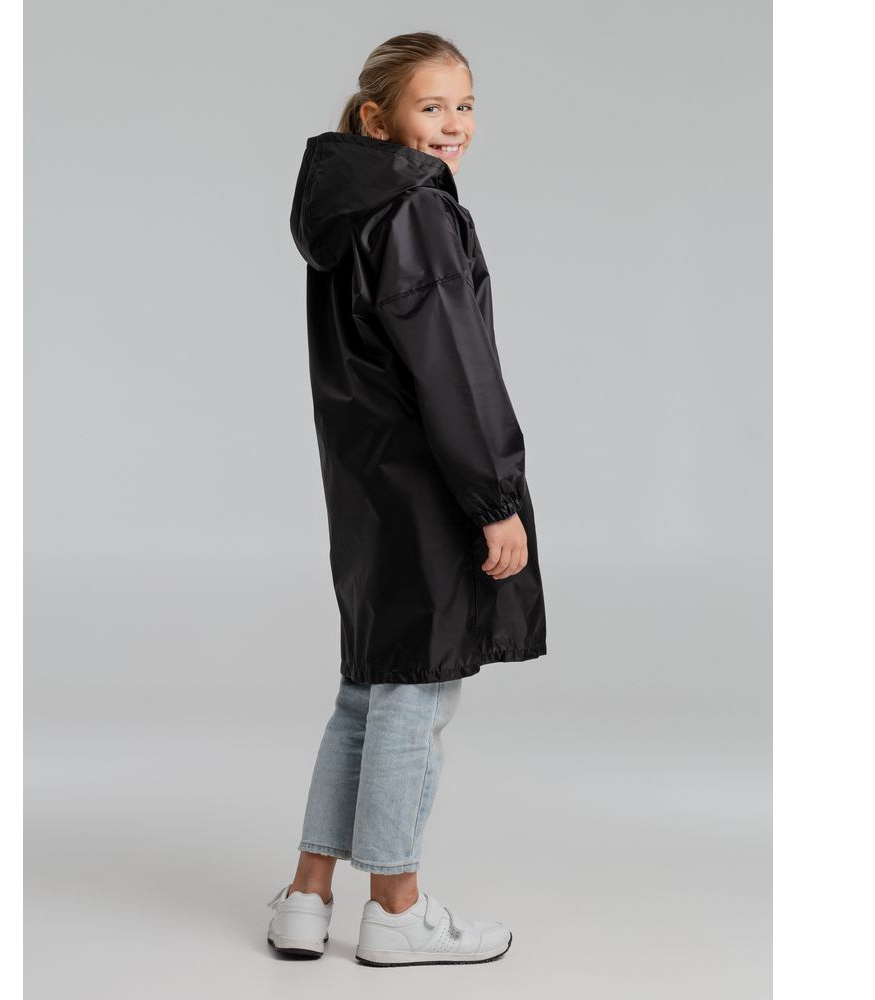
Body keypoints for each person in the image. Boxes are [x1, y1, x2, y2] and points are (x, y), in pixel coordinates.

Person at [268, 31, 547, 967]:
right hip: (428, 485)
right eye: (432, 107)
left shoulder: (351, 207)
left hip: (368, 484)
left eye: (465, 106)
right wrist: (494, 497)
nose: (454, 125)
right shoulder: (417, 210)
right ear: (378, 118)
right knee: (414, 698)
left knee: (368, 688)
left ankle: (307, 896)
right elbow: (453, 369)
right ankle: (396, 908)